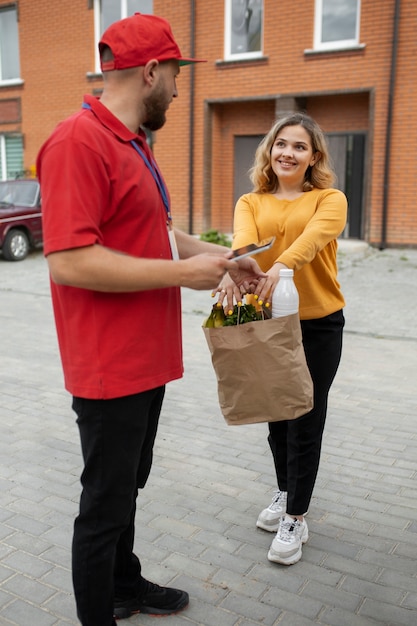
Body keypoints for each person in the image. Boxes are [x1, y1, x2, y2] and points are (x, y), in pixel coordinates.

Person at [36, 13, 265, 626]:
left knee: (126, 489)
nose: (177, 89)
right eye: (175, 76)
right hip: (110, 366)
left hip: (147, 360)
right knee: (104, 505)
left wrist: (218, 258)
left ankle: (124, 584)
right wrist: (181, 276)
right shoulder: (76, 142)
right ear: (152, 70)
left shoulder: (133, 143)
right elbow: (69, 261)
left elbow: (157, 234)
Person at [216, 112, 347, 566]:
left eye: (299, 147)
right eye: (281, 144)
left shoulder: (330, 199)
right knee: (276, 416)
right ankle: (286, 489)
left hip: (318, 323)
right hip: (269, 321)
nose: (288, 153)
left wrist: (282, 265)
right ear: (269, 150)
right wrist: (235, 267)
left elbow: (313, 239)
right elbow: (245, 242)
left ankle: (296, 514)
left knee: (306, 419)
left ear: (314, 157)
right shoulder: (251, 201)